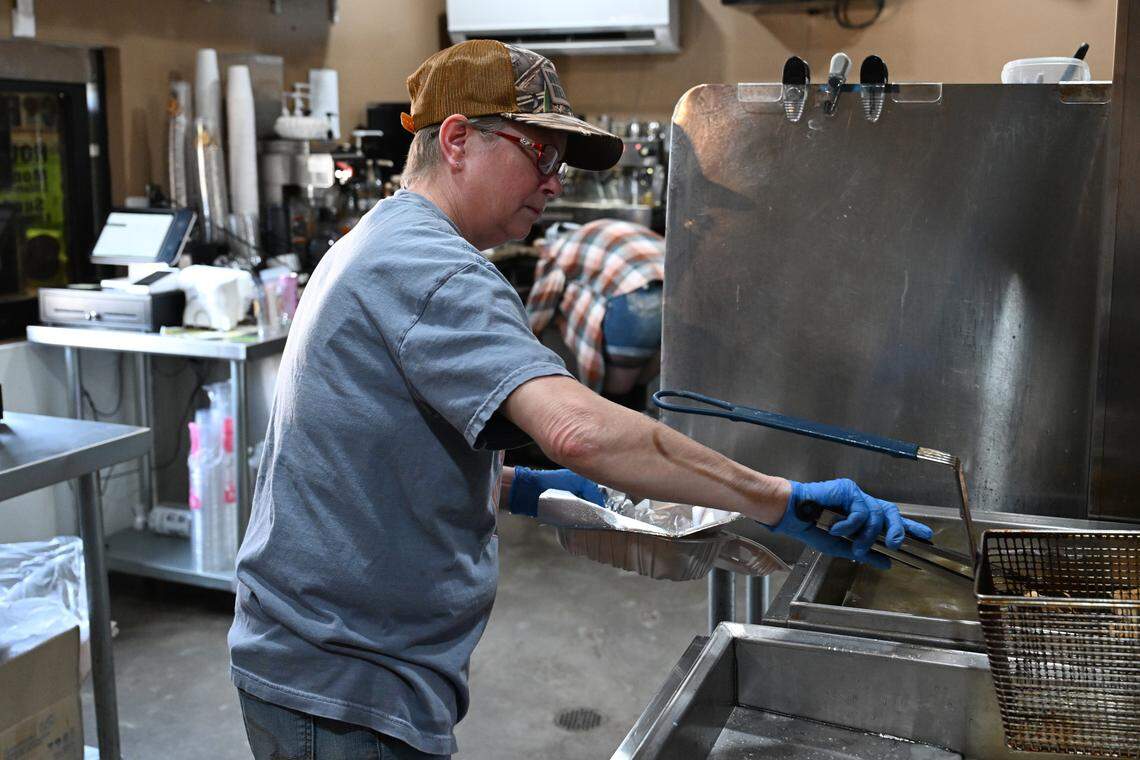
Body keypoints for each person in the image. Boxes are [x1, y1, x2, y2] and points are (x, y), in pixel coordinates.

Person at [228, 39, 932, 760]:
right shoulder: (433, 267)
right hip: (346, 682)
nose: (555, 181)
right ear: (459, 138)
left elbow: (371, 447)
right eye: (540, 152)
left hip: (314, 660)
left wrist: (516, 487)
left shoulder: (375, 240)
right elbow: (575, 430)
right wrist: (776, 498)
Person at [527, 219, 665, 398]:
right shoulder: (598, 228)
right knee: (638, 393)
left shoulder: (557, 250)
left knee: (615, 401)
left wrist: (529, 348)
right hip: (673, 297)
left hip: (634, 301)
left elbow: (539, 309)